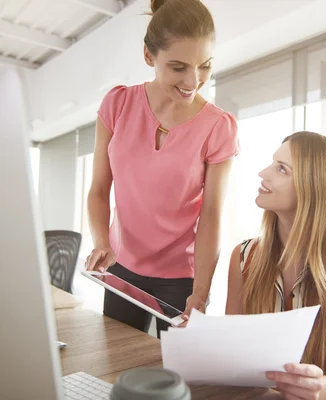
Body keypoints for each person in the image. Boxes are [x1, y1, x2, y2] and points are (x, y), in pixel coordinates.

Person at [85, 0, 239, 338]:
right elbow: (99, 187)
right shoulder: (118, 104)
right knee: (119, 370)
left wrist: (201, 291)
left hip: (181, 280)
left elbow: (210, 215)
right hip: (121, 267)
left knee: (174, 379)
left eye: (205, 66)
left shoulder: (218, 127)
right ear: (148, 56)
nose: (193, 80)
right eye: (179, 67)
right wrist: (101, 241)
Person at [225, 131, 326, 400]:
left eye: (282, 169)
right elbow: (234, 353)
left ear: (315, 188)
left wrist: (317, 387)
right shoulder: (243, 256)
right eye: (272, 163)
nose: (264, 173)